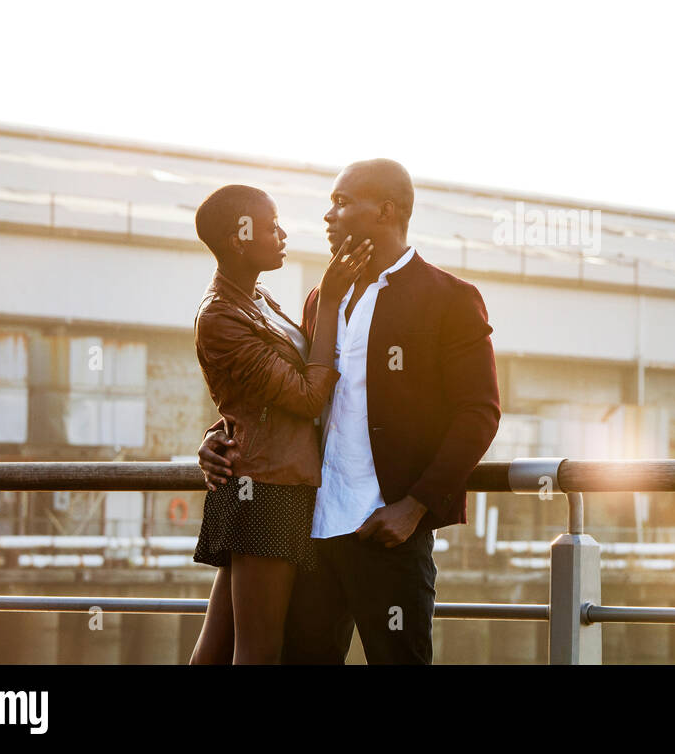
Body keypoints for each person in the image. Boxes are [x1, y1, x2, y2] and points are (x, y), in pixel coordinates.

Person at [197, 159, 501, 664]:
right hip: (309, 530)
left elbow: (480, 413)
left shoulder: (449, 299)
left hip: (388, 531)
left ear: (384, 211)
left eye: (341, 203)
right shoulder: (323, 298)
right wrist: (222, 433)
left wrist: (415, 506)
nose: (327, 216)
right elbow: (282, 389)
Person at [188, 183, 372, 664]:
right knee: (258, 650)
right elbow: (309, 397)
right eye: (271, 228)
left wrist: (218, 431)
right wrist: (329, 301)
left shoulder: (258, 298)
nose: (284, 233)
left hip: (269, 480)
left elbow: (251, 398)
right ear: (238, 238)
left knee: (222, 641)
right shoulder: (221, 316)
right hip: (266, 492)